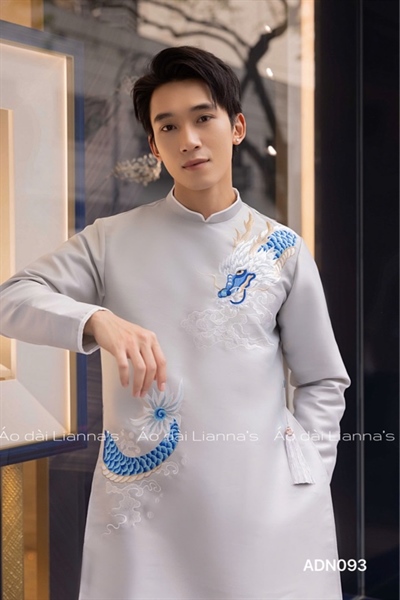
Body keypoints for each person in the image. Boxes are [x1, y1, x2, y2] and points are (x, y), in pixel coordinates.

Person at [0, 46, 350, 599]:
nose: (188, 139)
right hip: (147, 518)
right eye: (168, 126)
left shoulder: (281, 250)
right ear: (153, 144)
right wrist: (97, 320)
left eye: (203, 118)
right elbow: (11, 298)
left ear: (237, 127)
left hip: (264, 508)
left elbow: (323, 380)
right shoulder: (110, 240)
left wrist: (307, 472)